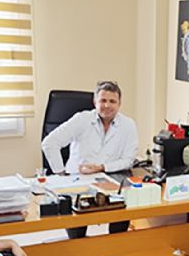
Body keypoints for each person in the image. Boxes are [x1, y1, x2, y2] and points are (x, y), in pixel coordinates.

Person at [40, 80, 136, 238]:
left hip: (110, 180)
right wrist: (61, 174)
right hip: (78, 181)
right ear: (95, 102)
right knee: (77, 236)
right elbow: (49, 143)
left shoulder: (128, 125)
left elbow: (128, 160)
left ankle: (116, 246)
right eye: (103, 100)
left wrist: (102, 167)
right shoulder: (82, 119)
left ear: (119, 104)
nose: (107, 105)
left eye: (112, 101)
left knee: (120, 226)